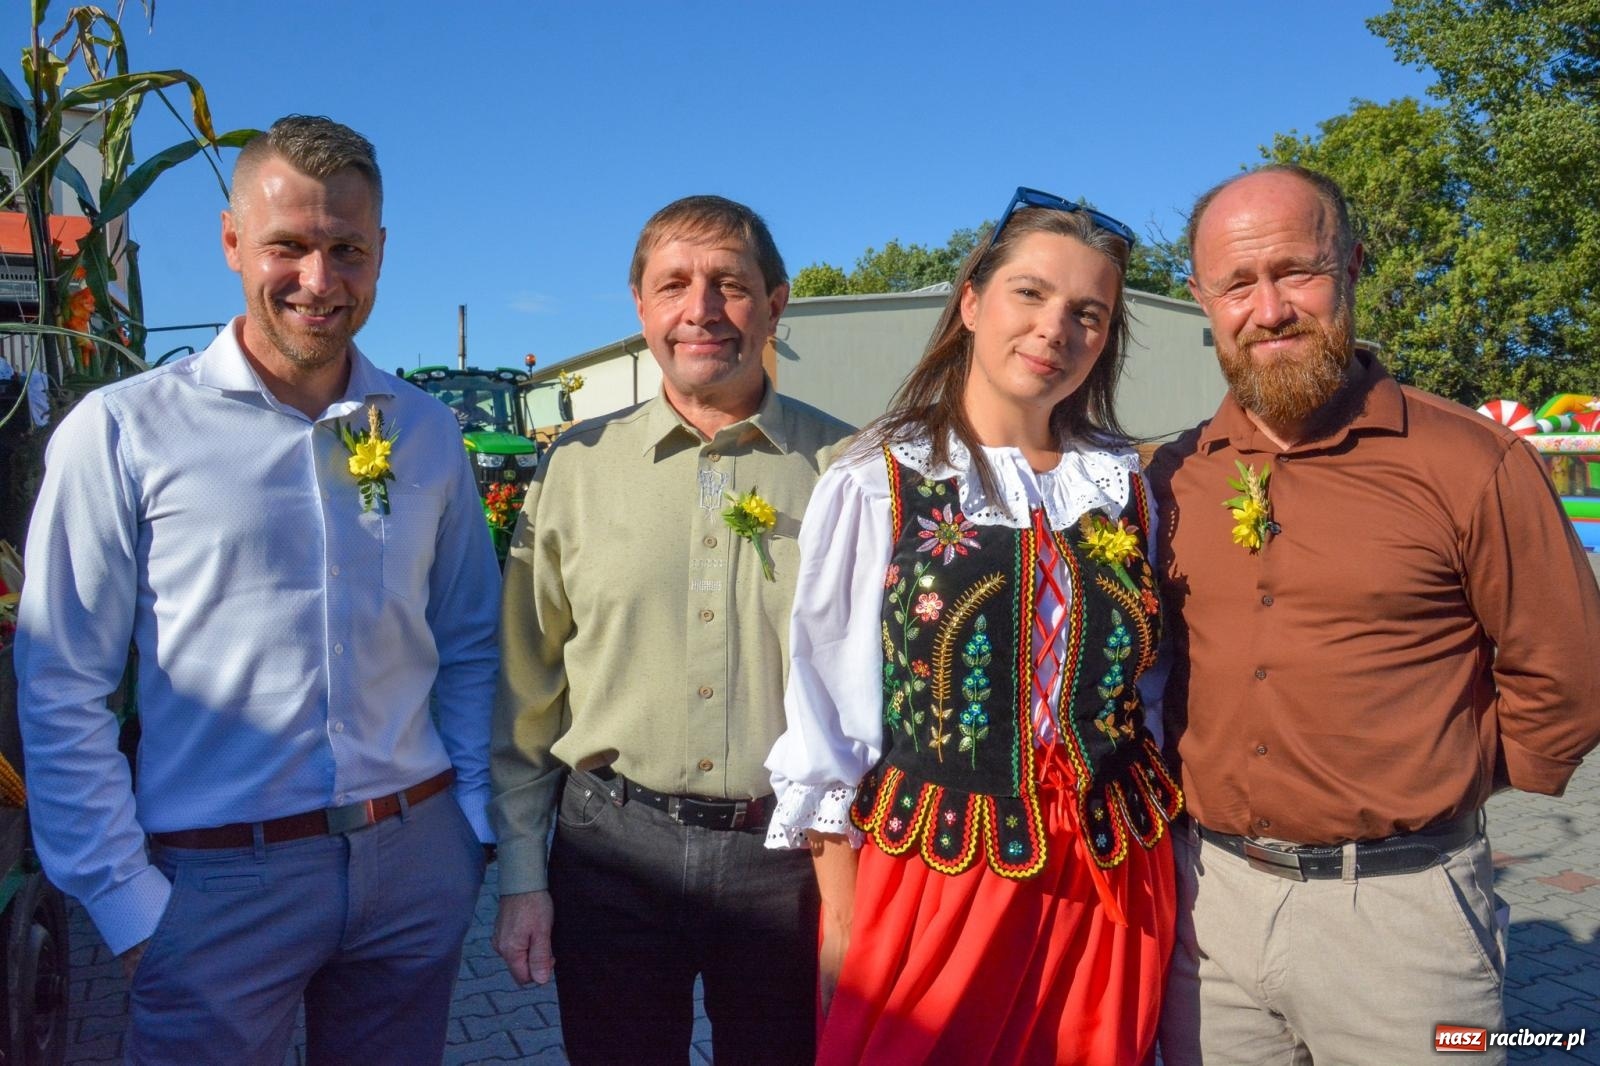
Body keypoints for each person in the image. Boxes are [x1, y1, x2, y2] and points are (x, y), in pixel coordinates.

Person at [14, 115, 500, 1065]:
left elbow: (468, 637)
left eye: (346, 250)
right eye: (288, 246)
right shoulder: (122, 433)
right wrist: (128, 904)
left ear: (381, 253)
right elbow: (60, 678)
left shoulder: (430, 434)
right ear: (233, 242)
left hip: (413, 867)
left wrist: (469, 825)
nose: (319, 281)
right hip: (212, 888)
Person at [1149, 164, 1600, 1066]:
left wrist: (1435, 782)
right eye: (1238, 283)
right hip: (1210, 911)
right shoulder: (1174, 476)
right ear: (1203, 300)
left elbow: (1567, 674)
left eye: (1296, 271)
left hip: (1405, 918)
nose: (1268, 308)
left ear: (1351, 267)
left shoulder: (1471, 462)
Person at [765, 188, 1183, 1066]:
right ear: (969, 303)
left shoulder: (1123, 484)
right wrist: (843, 922)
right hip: (942, 877)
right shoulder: (881, 477)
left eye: (1088, 313)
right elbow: (827, 715)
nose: (1055, 329)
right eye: (1029, 294)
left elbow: (1144, 688)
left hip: (1115, 879)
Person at [491, 195, 853, 1065]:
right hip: (611, 853)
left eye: (730, 284)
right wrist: (522, 878)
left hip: (789, 864)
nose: (702, 309)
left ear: (777, 301)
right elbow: (526, 689)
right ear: (641, 305)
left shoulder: (852, 471)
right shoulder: (573, 468)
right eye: (674, 285)